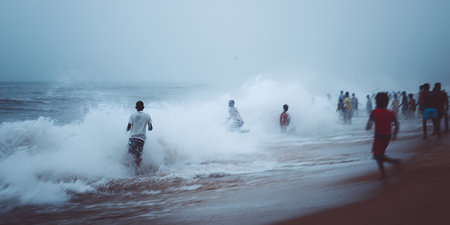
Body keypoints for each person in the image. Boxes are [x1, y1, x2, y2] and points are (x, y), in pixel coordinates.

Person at [366, 92, 400, 179]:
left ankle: (394, 162)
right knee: (380, 155)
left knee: (377, 155)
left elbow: (368, 126)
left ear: (376, 102)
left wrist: (368, 125)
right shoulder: (390, 112)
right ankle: (383, 174)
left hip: (378, 136)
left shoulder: (374, 112)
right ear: (387, 102)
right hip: (387, 136)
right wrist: (395, 135)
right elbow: (397, 124)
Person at [126, 101, 153, 167]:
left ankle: (130, 170)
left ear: (136, 107)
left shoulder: (132, 115)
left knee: (130, 155)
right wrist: (148, 127)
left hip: (133, 138)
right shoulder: (147, 115)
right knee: (138, 156)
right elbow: (150, 128)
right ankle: (138, 170)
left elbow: (129, 126)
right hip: (141, 139)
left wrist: (126, 131)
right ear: (143, 107)